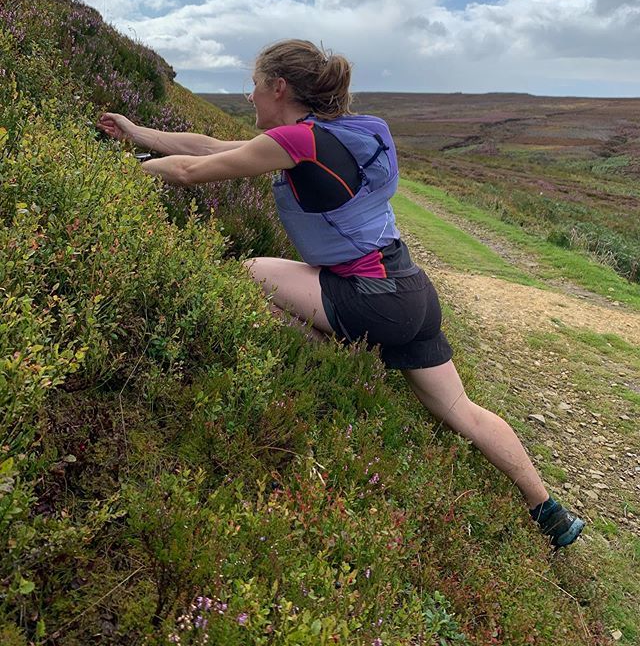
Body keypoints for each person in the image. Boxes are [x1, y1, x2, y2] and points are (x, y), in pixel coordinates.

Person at [97, 39, 585, 549]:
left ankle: (335, 356)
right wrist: (138, 134)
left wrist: (114, 170)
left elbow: (189, 170)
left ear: (279, 87)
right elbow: (211, 148)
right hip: (413, 291)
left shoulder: (298, 141)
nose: (250, 98)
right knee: (463, 409)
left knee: (249, 272)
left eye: (255, 86)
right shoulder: (344, 132)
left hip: (371, 297)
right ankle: (548, 509)